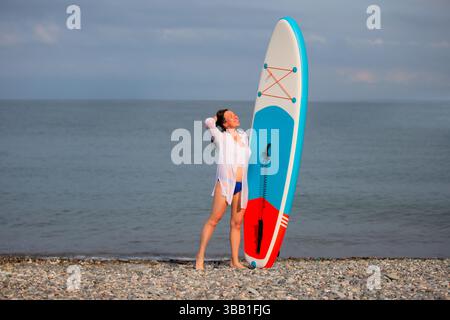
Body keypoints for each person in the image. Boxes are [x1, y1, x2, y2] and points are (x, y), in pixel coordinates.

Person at [195, 108, 252, 270]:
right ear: (224, 123)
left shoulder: (243, 136)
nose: (235, 116)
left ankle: (234, 261)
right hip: (226, 183)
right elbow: (208, 121)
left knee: (237, 223)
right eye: (230, 116)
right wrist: (218, 117)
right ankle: (200, 257)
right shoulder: (220, 137)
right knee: (214, 219)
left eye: (235, 113)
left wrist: (224, 117)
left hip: (242, 185)